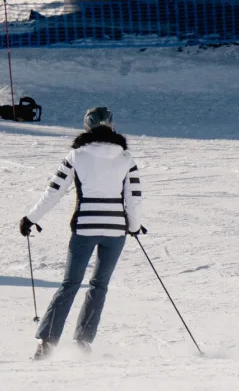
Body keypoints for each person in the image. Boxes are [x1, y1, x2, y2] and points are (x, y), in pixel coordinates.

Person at [19, 107, 144, 360]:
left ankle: (46, 343)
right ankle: (83, 342)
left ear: (87, 127)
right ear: (111, 126)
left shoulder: (77, 155)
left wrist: (31, 219)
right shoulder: (126, 158)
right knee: (99, 286)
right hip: (115, 231)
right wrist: (134, 226)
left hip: (85, 228)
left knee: (70, 284)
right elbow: (135, 199)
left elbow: (53, 192)